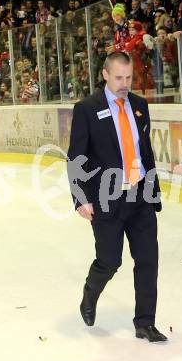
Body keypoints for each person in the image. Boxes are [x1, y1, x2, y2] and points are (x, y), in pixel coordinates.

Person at [67, 51, 166, 343]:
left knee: (148, 259)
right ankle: (90, 293)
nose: (125, 83)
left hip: (141, 195)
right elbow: (76, 156)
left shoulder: (139, 106)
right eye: (119, 77)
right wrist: (80, 197)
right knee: (110, 261)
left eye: (129, 77)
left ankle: (145, 323)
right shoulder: (86, 108)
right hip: (106, 198)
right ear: (105, 75)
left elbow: (143, 150)